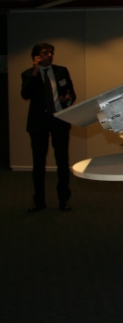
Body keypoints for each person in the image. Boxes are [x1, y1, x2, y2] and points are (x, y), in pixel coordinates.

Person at [21, 43, 76, 212]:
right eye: (45, 53)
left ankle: (63, 199)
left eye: (51, 52)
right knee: (38, 162)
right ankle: (39, 200)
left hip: (59, 120)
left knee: (62, 161)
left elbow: (71, 93)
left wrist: (67, 99)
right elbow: (25, 94)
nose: (50, 55)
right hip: (39, 123)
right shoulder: (28, 74)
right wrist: (35, 72)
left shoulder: (61, 71)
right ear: (36, 57)